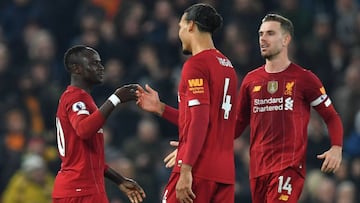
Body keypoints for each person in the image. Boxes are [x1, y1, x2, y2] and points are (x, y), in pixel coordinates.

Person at [234, 14, 343, 203]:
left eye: (270, 33)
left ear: (286, 39)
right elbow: (236, 125)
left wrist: (336, 147)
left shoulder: (304, 79)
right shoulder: (250, 81)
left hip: (288, 167)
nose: (263, 39)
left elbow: (331, 117)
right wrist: (203, 142)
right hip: (257, 170)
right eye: (261, 34)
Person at [136, 3, 238, 203]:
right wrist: (161, 108)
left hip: (199, 170)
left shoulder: (196, 65)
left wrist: (186, 166)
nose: (179, 33)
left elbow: (200, 120)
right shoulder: (228, 67)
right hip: (225, 173)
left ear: (191, 26)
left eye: (180, 27)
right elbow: (212, 120)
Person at [52, 45, 145, 203]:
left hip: (84, 189)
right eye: (94, 63)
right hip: (79, 192)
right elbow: (84, 130)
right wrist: (115, 99)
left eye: (100, 63)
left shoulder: (83, 99)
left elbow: (90, 159)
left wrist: (119, 180)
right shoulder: (75, 98)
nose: (101, 68)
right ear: (77, 69)